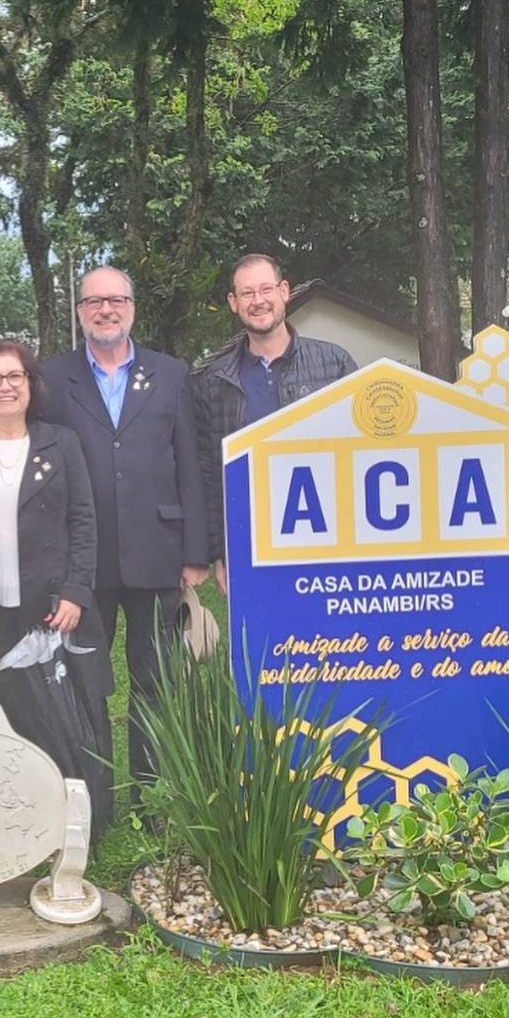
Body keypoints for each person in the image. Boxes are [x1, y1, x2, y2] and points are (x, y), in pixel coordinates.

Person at [0, 339, 114, 838]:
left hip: (52, 611)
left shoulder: (62, 443)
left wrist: (77, 591)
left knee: (61, 723)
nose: (5, 387)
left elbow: (83, 520)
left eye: (15, 377)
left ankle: (74, 827)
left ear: (31, 386)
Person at [43, 267, 208, 792]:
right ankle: (93, 791)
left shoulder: (171, 373)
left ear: (132, 307)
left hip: (156, 549)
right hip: (82, 559)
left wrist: (196, 551)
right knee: (86, 680)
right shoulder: (52, 378)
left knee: (154, 679)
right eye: (94, 302)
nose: (105, 310)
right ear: (80, 312)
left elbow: (190, 464)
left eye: (115, 300)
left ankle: (149, 788)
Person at [193, 253, 357, 594]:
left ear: (284, 291)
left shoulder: (335, 364)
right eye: (247, 293)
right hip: (251, 541)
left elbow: (363, 451)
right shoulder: (214, 381)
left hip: (329, 538)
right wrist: (218, 553)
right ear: (233, 303)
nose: (258, 301)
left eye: (265, 289)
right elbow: (208, 474)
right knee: (263, 645)